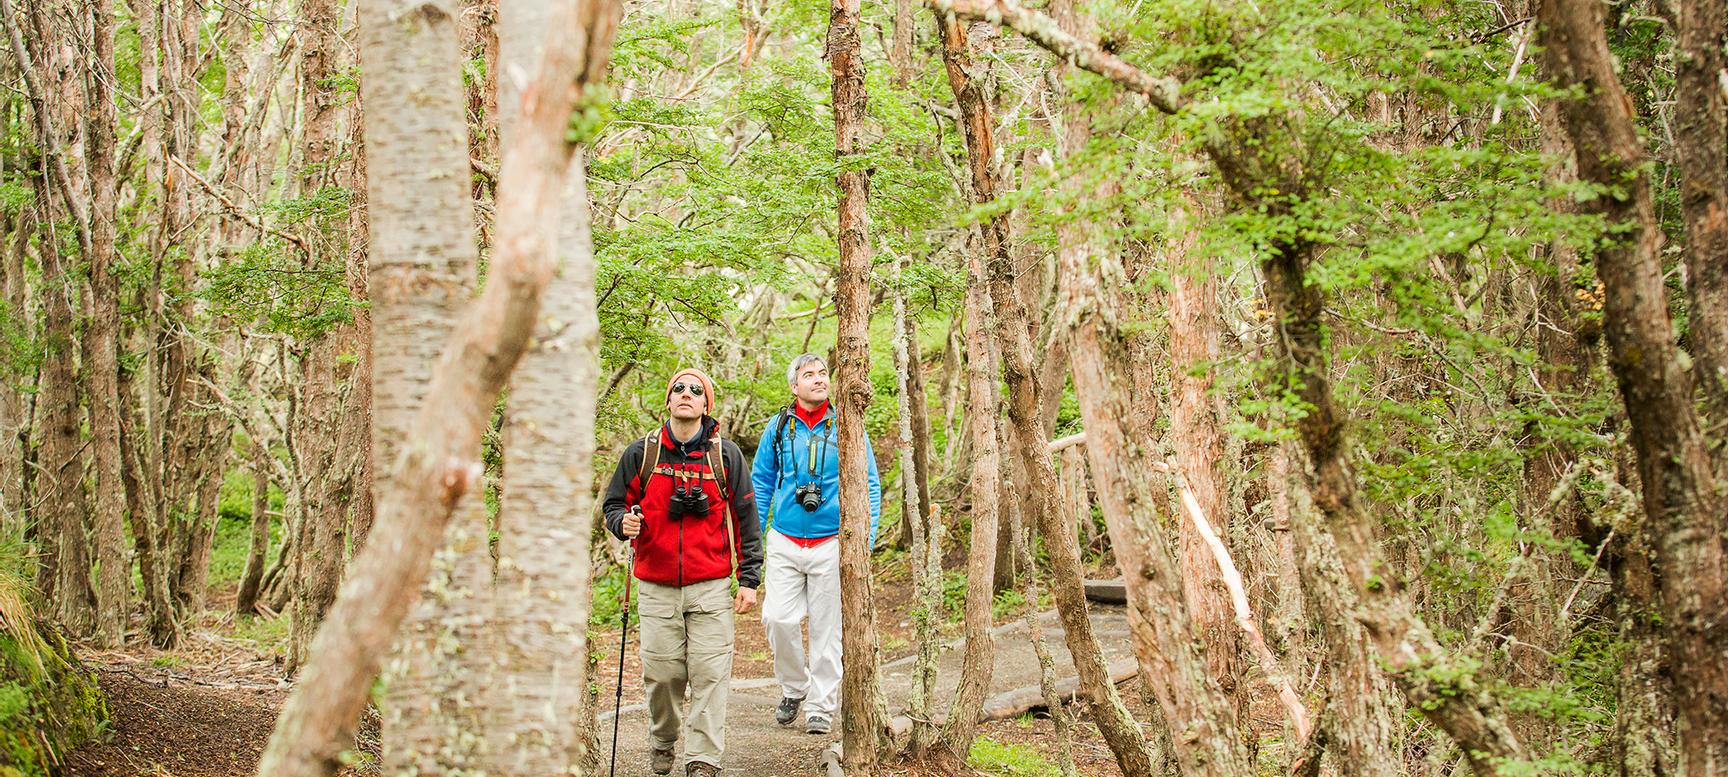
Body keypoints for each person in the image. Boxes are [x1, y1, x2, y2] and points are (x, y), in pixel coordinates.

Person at [604, 368, 763, 777]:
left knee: (710, 673)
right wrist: (624, 523)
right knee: (663, 675)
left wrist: (748, 579)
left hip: (710, 586)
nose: (687, 394)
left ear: (707, 405)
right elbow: (613, 506)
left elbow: (746, 518)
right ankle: (662, 739)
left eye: (696, 390)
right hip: (656, 586)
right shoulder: (642, 454)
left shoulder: (725, 457)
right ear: (668, 400)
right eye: (679, 388)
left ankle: (702, 760)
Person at [751, 353, 881, 736]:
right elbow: (761, 483)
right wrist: (753, 540)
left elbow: (869, 482)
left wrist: (865, 540)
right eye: (809, 375)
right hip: (785, 538)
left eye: (823, 373)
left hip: (830, 542)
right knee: (777, 618)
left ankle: (821, 706)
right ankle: (795, 687)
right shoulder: (777, 427)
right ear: (795, 386)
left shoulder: (847, 425)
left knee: (827, 630)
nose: (819, 379)